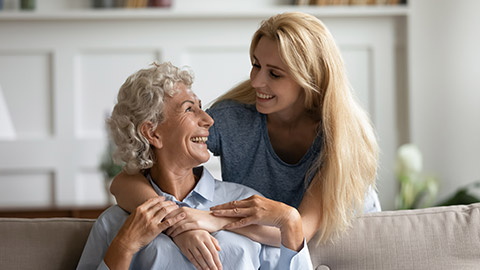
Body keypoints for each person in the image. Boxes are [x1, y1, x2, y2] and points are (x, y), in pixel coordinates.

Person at [111, 11, 381, 269]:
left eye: (274, 74)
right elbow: (125, 181)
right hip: (272, 244)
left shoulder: (338, 139)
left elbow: (299, 228)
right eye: (256, 65)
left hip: (338, 242)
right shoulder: (233, 119)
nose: (255, 81)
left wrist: (214, 219)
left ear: (309, 78)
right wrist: (176, 226)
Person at [76, 62, 313, 270]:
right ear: (152, 133)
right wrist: (125, 245)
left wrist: (290, 221)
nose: (208, 119)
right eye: (189, 109)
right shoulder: (115, 222)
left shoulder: (246, 202)